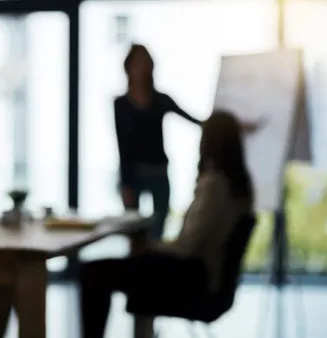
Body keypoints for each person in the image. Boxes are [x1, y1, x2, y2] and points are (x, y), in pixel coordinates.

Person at [80, 111, 255, 338]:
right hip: (207, 279)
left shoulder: (215, 185)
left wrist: (150, 247)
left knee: (94, 272)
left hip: (193, 280)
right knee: (120, 267)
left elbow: (187, 247)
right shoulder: (241, 188)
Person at [114, 44, 203, 240]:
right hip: (134, 173)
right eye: (137, 63)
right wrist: (125, 183)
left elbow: (195, 120)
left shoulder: (161, 100)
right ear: (128, 67)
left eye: (145, 62)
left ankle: (153, 268)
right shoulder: (121, 104)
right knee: (134, 233)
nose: (141, 68)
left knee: (157, 232)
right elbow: (122, 145)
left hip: (158, 171)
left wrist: (229, 124)